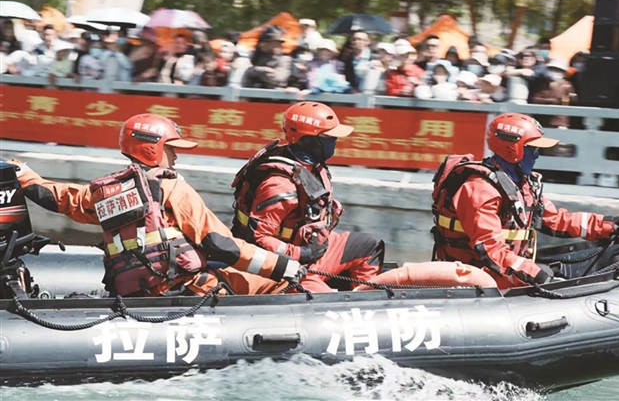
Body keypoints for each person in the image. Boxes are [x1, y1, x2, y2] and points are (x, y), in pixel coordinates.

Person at [10, 114, 303, 297]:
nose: (175, 157)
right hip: (188, 289)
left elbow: (63, 199)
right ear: (153, 149)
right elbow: (220, 243)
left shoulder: (105, 192)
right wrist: (282, 266)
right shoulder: (171, 186)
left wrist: (25, 177)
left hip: (136, 292)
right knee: (281, 285)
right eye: (171, 149)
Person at [430, 113, 619, 288]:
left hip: (508, 272)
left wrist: (607, 225)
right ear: (513, 149)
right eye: (534, 149)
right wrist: (536, 274)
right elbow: (491, 250)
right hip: (479, 278)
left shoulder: (522, 184)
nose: (537, 156)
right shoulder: (479, 188)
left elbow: (556, 221)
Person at [231, 102, 385, 293]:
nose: (335, 141)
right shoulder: (279, 185)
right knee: (324, 300)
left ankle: (365, 299)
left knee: (369, 245)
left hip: (313, 250)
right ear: (308, 140)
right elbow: (259, 238)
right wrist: (301, 254)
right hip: (285, 266)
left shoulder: (310, 166)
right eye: (329, 137)